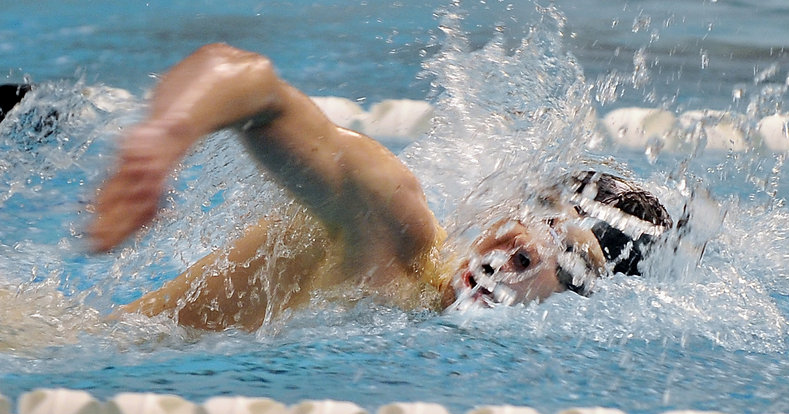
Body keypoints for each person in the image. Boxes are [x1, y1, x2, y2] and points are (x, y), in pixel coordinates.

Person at [89, 43, 671, 332]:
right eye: (537, 230)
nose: (524, 257)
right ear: (505, 210)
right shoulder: (391, 226)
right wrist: (165, 137)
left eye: (566, 264)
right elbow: (249, 80)